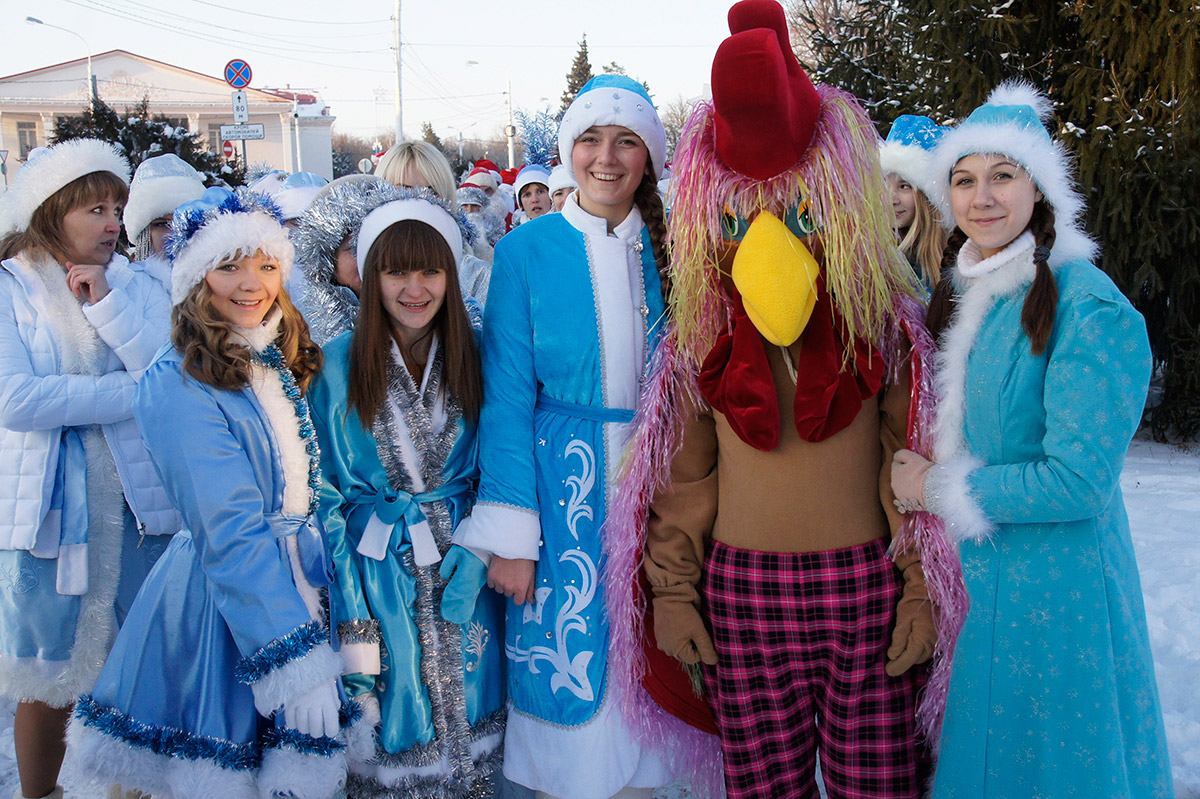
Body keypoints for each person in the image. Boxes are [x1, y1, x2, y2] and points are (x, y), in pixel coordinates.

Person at [639, 4, 954, 797]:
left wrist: (919, 589)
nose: (770, 241)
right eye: (743, 219)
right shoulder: (704, 341)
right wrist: (675, 593)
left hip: (866, 589)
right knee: (763, 784)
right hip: (743, 595)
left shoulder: (882, 330)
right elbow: (683, 482)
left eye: (801, 213)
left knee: (876, 781)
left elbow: (908, 463)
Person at [891, 81, 1175, 798]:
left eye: (1002, 176)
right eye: (964, 179)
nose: (981, 197)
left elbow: (1078, 480)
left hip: (1062, 593)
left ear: (1040, 188)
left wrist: (936, 486)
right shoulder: (978, 291)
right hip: (989, 592)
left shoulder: (1089, 303)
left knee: (1054, 770)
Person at [69, 187, 360, 799]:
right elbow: (229, 531)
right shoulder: (175, 383)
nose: (251, 283)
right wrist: (292, 659)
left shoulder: (282, 358)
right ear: (197, 278)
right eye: (229, 265)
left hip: (305, 588)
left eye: (266, 264)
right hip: (228, 610)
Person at [457, 74, 692, 799]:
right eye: (590, 139)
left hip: (663, 484)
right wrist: (512, 534)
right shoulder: (527, 253)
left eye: (627, 141)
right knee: (572, 651)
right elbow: (503, 400)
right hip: (562, 491)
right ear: (568, 152)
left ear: (649, 156)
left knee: (655, 650)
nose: (607, 157)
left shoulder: (678, 252)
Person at [308, 193, 506, 798]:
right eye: (396, 271)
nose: (414, 288)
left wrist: (484, 544)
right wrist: (353, 618)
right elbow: (328, 499)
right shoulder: (335, 364)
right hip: (380, 579)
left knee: (476, 730)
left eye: (431, 270)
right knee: (395, 718)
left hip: (464, 566)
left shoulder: (476, 352)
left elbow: (501, 463)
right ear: (369, 276)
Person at [0, 138, 179, 799]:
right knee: (47, 679)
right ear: (52, 212)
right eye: (95, 208)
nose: (112, 223)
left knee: (146, 669)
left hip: (141, 512)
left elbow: (169, 374)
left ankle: (132, 790)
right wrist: (124, 397)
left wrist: (105, 303)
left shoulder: (134, 284)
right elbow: (15, 399)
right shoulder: (11, 288)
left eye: (117, 207)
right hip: (49, 520)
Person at [290, 174, 403, 345]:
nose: (370, 258)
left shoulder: (419, 309)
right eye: (354, 248)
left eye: (381, 245)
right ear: (328, 261)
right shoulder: (299, 323)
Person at [377, 141, 491, 306]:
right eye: (404, 191)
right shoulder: (363, 269)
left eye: (431, 192)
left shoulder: (476, 275)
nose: (419, 202)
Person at [879, 114, 947, 294]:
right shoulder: (873, 253)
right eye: (884, 184)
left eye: (904, 186)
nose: (891, 199)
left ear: (927, 197)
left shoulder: (953, 260)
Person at [123, 153, 206, 295]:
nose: (175, 233)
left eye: (184, 222)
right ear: (143, 233)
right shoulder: (127, 288)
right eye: (162, 225)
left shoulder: (219, 286)